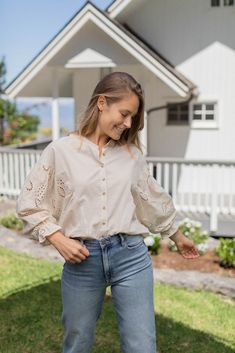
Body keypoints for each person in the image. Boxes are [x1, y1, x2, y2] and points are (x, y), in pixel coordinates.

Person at [16, 71, 200, 353]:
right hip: (82, 262)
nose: (128, 124)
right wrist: (57, 237)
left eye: (132, 118)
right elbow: (30, 202)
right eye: (124, 114)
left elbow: (149, 199)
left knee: (142, 345)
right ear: (102, 103)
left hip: (131, 258)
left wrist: (177, 235)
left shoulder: (132, 155)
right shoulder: (60, 151)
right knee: (76, 342)